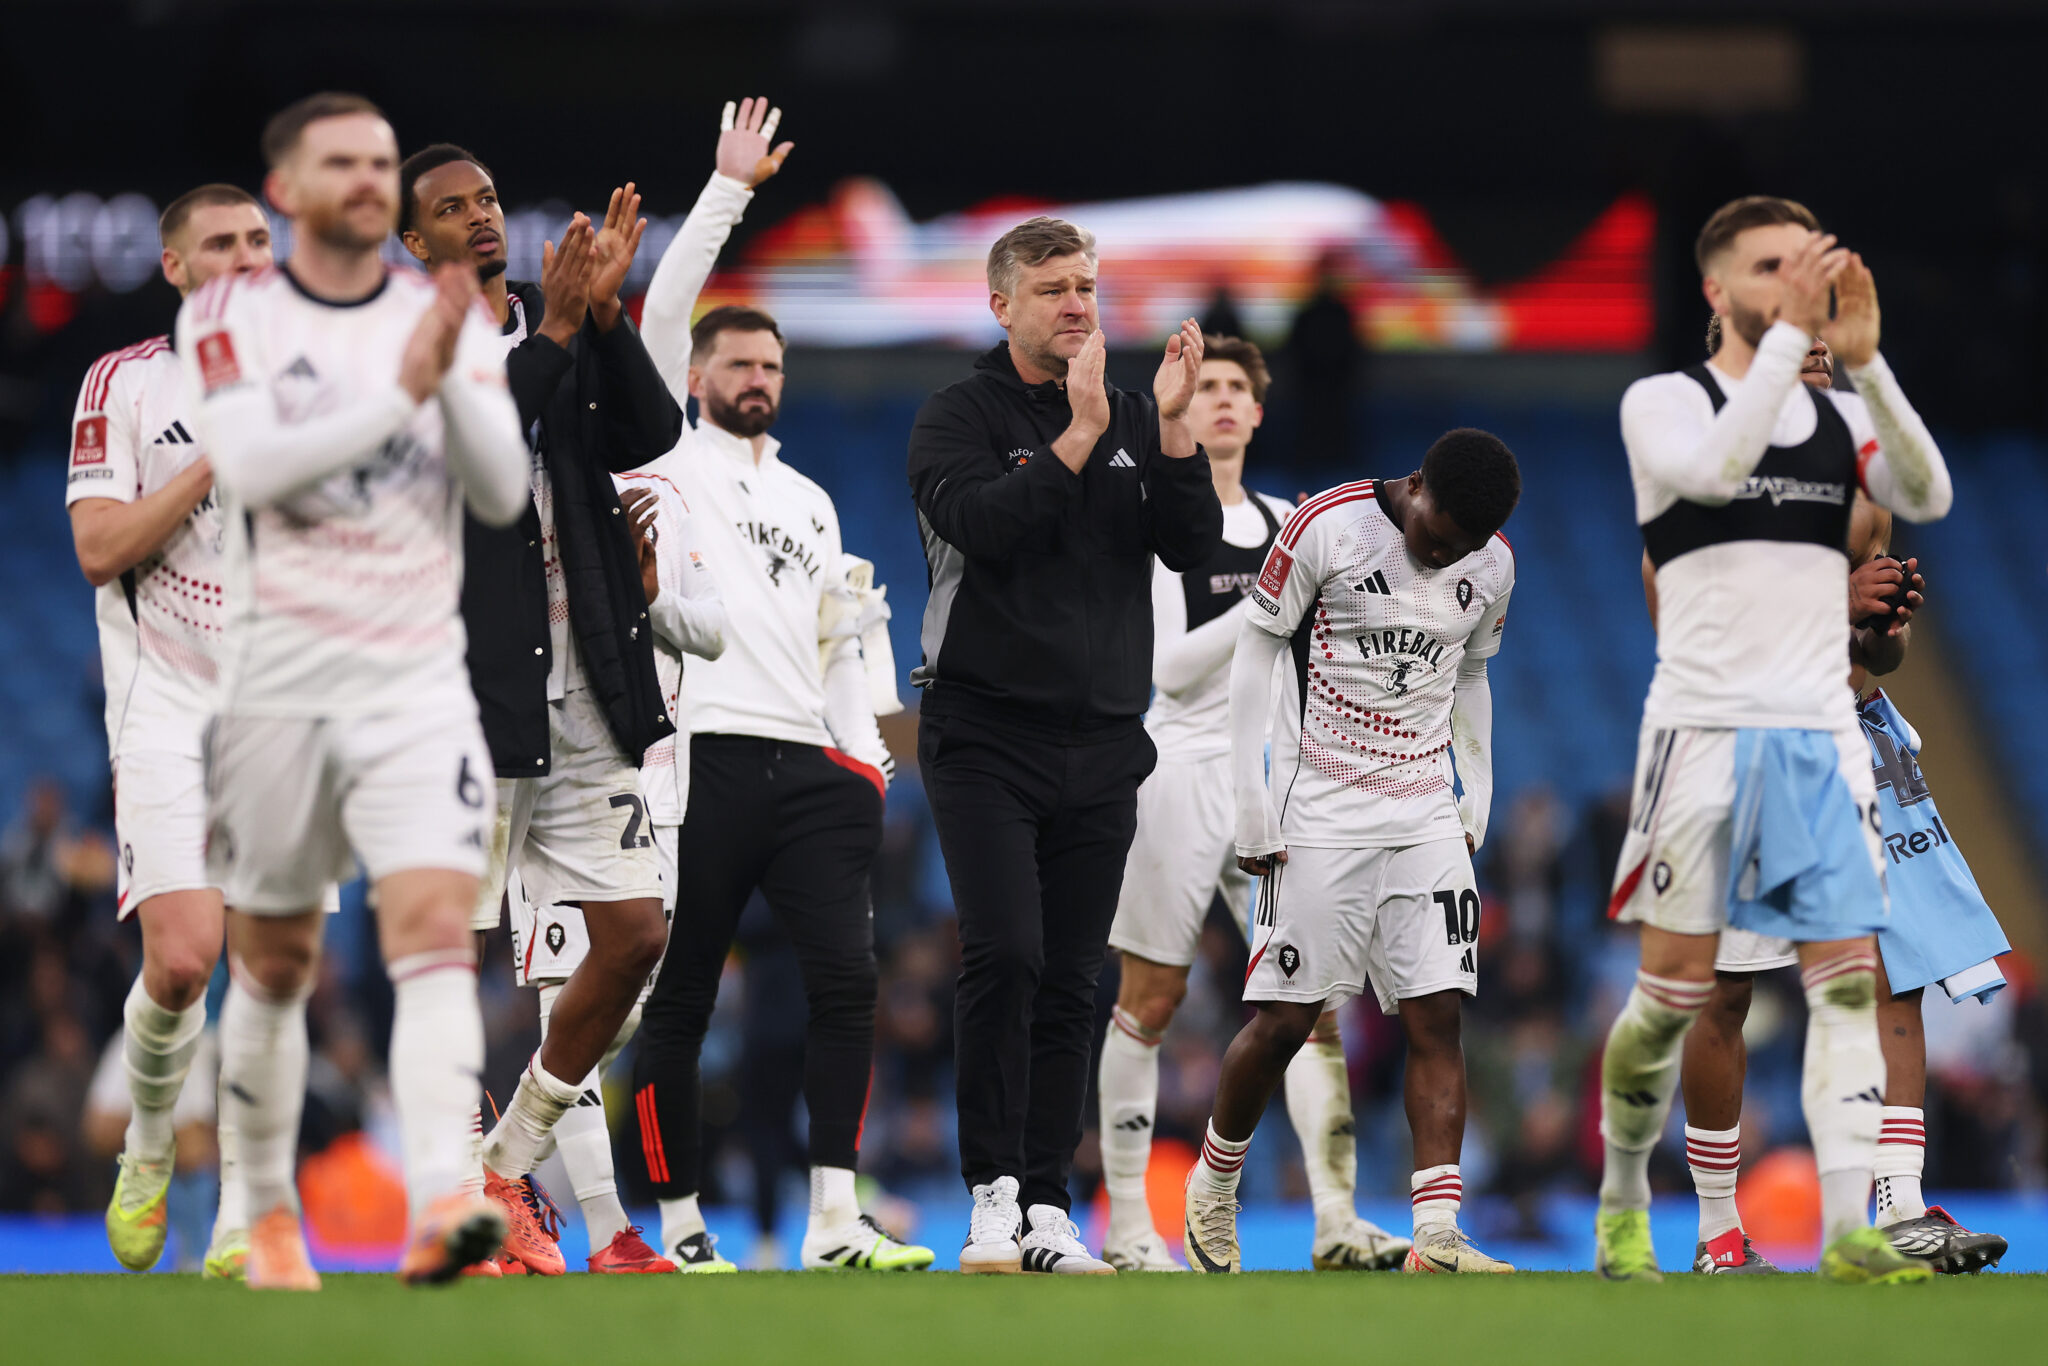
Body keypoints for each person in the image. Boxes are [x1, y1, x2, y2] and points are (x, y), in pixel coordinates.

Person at [177, 92, 530, 1288]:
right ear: (287, 188)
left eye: (382, 161)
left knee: (435, 932)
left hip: (416, 682)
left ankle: (444, 1202)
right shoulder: (231, 312)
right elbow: (259, 463)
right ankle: (268, 1213)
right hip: (277, 681)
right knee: (273, 962)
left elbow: (496, 493)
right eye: (343, 161)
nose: (370, 177)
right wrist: (401, 390)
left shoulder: (447, 316)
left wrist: (445, 371)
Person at [1598, 196, 1953, 1284]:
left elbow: (1926, 492)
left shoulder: (1837, 420)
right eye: (1766, 268)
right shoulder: (1660, 402)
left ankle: (1849, 1227)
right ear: (1715, 289)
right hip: (1701, 732)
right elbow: (1710, 476)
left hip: (1818, 737)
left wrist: (1868, 364)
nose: (1788, 285)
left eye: (1802, 267)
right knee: (1679, 998)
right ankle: (1633, 1198)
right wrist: (1795, 346)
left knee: (1845, 981)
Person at [632, 98, 927, 1273]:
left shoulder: (810, 499)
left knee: (846, 986)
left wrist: (865, 760)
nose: (757, 378)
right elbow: (660, 303)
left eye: (770, 365)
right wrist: (729, 190)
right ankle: (680, 1223)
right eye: (737, 363)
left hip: (812, 772)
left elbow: (842, 636)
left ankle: (835, 1218)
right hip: (701, 755)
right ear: (696, 374)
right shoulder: (665, 449)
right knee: (683, 995)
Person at [908, 215, 1223, 1274]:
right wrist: (1079, 436)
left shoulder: (1135, 413)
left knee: (1075, 977)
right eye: (1051, 288)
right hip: (983, 732)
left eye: (1085, 284)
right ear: (1000, 304)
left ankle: (1049, 1204)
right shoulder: (955, 415)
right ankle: (990, 1195)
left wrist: (1172, 432)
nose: (1076, 303)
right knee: (1005, 953)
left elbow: (1185, 546)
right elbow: (985, 527)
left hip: (1100, 742)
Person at [1662, 334, 2010, 1277]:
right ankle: (1717, 1230)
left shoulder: (1865, 486)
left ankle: (1897, 1205)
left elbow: (1875, 655)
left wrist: (1883, 621)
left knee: (1894, 970)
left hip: (1850, 735)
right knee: (1727, 988)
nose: (1812, 358)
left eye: (1823, 342)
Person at [396, 142, 681, 1275]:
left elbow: (648, 434)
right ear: (410, 244)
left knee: (634, 938)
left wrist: (603, 317)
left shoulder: (552, 324)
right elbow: (482, 448)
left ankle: (507, 1165)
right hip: (466, 695)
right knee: (449, 950)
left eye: (488, 201)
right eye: (450, 210)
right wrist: (561, 332)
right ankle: (454, 1198)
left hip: (587, 688)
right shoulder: (402, 348)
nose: (479, 219)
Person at [1095, 335, 1408, 1273]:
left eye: (1238, 389)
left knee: (1309, 1005)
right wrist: (1272, 597)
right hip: (1179, 770)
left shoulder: (1290, 520)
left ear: (1260, 412)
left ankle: (1338, 1221)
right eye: (1207, 388)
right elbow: (1167, 671)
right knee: (1148, 999)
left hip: (1284, 776)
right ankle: (1126, 1227)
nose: (1222, 401)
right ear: (1178, 406)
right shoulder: (1156, 523)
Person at [1182, 432, 1520, 1275]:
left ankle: (1437, 1236)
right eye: (1437, 533)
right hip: (1321, 810)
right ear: (1415, 485)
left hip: (1422, 812)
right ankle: (1213, 1190)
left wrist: (1473, 786)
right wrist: (1253, 800)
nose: (1445, 554)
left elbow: (1472, 673)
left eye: (1463, 547)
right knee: (1287, 1022)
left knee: (1438, 1014)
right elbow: (1258, 649)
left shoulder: (1494, 565)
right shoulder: (1325, 527)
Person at [66, 182, 272, 1280]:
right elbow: (100, 548)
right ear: (176, 265)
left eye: (257, 240)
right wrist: (210, 461)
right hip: (168, 706)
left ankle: (242, 1209)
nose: (243, 257)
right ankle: (149, 1139)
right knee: (187, 961)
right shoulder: (128, 383)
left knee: (273, 973)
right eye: (220, 244)